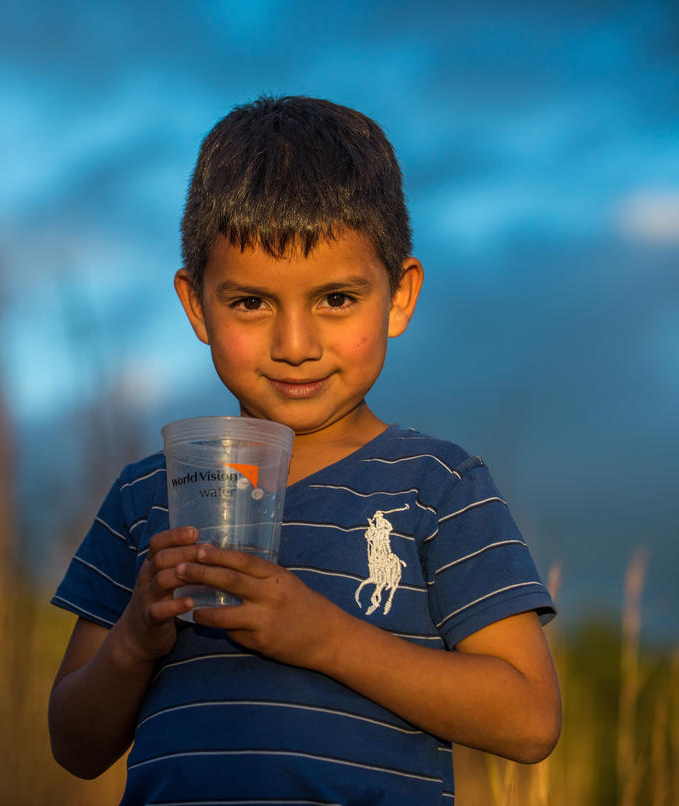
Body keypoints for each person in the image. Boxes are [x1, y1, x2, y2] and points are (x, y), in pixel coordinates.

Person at [48, 95, 561, 804]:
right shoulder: (148, 496)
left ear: (400, 296)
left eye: (337, 299)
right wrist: (134, 640)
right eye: (251, 303)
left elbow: (530, 718)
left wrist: (323, 638)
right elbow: (74, 746)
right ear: (196, 305)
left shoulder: (437, 487)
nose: (295, 345)